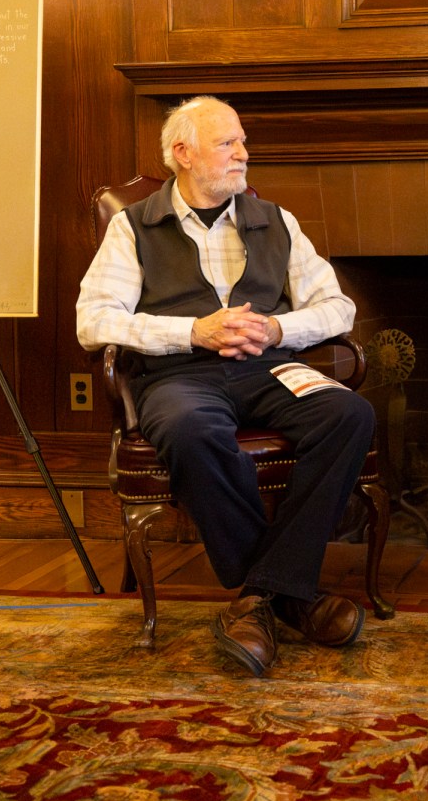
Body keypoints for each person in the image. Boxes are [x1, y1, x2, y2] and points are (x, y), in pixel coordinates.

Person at [75, 95, 374, 679]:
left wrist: (277, 326)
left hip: (269, 366)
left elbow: (339, 307)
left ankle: (260, 596)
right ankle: (286, 595)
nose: (243, 153)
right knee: (190, 429)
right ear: (182, 153)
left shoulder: (276, 221)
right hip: (180, 373)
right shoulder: (133, 226)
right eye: (227, 143)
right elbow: (94, 320)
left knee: (348, 414)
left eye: (242, 142)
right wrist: (194, 331)